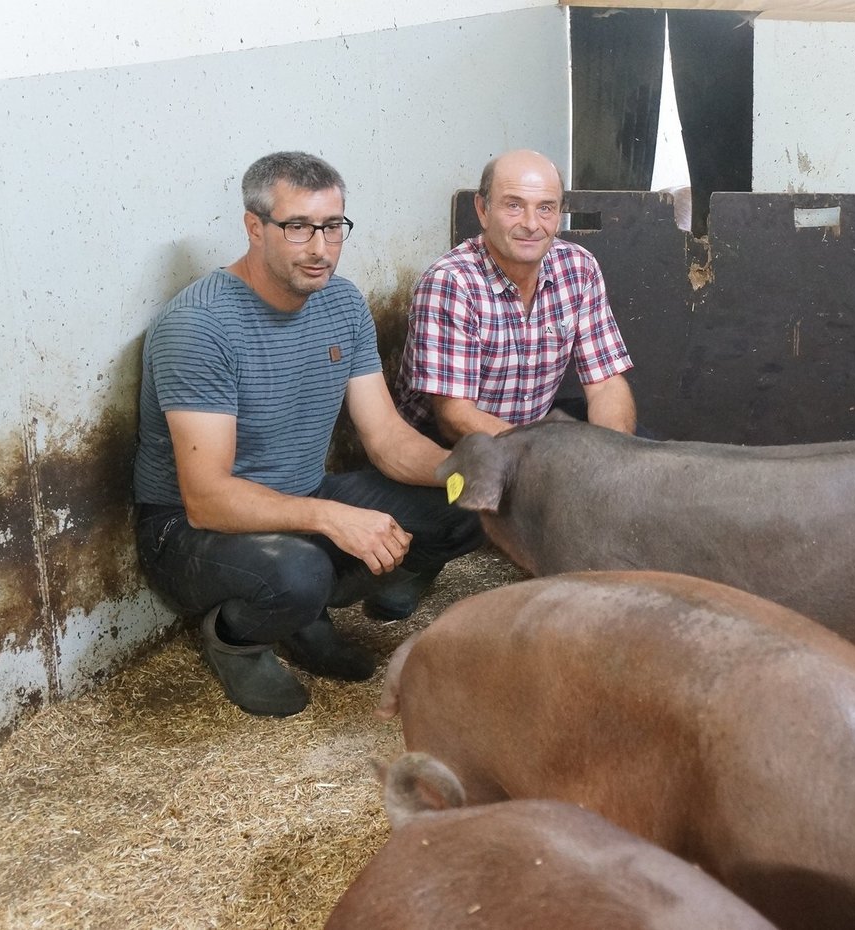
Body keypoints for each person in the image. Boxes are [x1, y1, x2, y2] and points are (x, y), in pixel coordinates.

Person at [133, 151, 483, 718]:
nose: (320, 247)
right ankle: (236, 638)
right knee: (300, 571)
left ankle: (303, 613)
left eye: (332, 226)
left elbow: (387, 439)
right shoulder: (199, 325)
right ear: (254, 227)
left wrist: (472, 468)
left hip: (299, 496)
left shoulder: (341, 302)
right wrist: (333, 518)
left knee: (466, 503)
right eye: (297, 227)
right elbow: (207, 497)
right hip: (187, 528)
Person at [394, 149, 637, 443]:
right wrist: (546, 458)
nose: (532, 224)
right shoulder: (451, 282)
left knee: (636, 448)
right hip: (446, 446)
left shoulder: (578, 267)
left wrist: (615, 452)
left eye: (545, 208)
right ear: (483, 210)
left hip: (525, 437)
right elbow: (455, 417)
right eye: (514, 205)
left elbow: (605, 383)